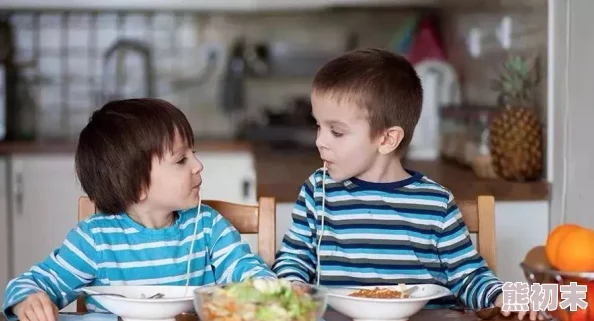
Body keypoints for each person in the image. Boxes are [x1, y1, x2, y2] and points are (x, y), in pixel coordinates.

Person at [271, 48, 541, 320]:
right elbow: (294, 258)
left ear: (387, 140)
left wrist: (501, 294)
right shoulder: (318, 191)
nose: (320, 141)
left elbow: (468, 275)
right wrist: (291, 285)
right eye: (318, 126)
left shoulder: (435, 204)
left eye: (336, 132)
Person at [3, 98, 275, 321]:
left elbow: (247, 269)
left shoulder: (207, 226)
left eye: (194, 153)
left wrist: (266, 290)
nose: (198, 165)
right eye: (181, 159)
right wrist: (27, 300)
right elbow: (32, 283)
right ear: (137, 186)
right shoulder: (96, 239)